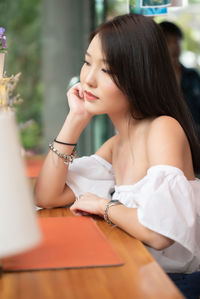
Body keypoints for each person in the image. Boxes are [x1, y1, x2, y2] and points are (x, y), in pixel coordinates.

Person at [35, 14, 200, 298]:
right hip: (138, 270)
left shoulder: (163, 128)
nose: (88, 79)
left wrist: (104, 206)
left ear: (139, 76)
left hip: (170, 284)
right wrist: (75, 118)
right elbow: (47, 196)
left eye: (107, 71)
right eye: (88, 62)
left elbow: (160, 233)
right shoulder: (116, 144)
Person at [159, 21, 200, 141]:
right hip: (167, 139)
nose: (174, 47)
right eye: (168, 41)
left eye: (177, 41)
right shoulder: (153, 78)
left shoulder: (192, 75)